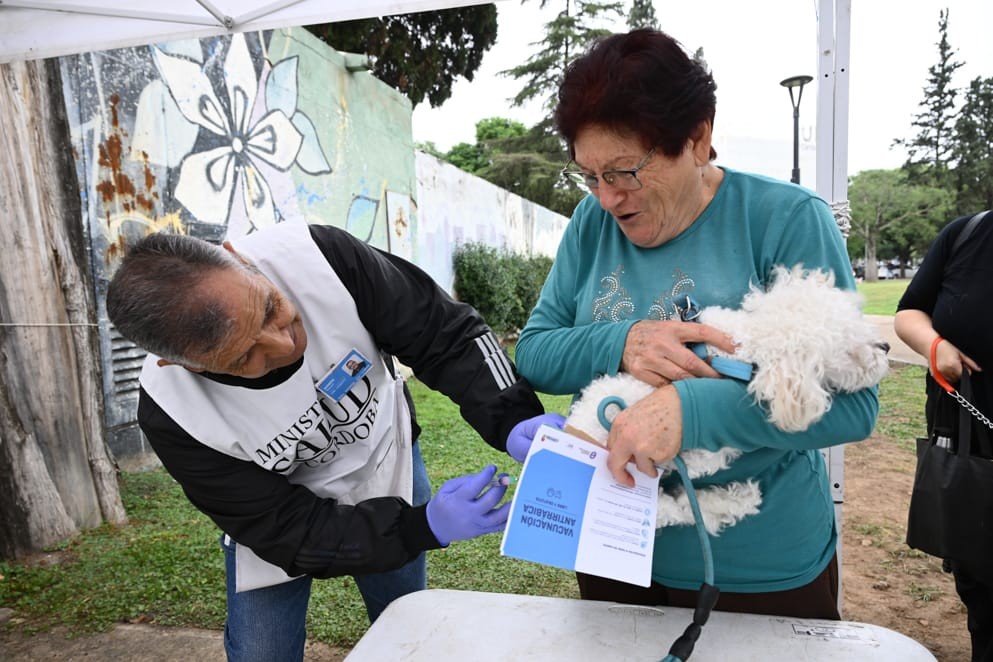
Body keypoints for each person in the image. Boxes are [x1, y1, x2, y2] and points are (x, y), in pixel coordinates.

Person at [514, 29, 879, 620]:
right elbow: (535, 352)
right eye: (590, 176)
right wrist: (623, 341)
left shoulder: (786, 219)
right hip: (612, 544)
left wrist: (693, 411)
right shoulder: (590, 223)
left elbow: (854, 407)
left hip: (757, 564)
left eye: (625, 172)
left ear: (698, 139)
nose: (607, 199)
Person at [105, 220, 562, 662]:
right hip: (280, 505)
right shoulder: (174, 413)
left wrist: (511, 416)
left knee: (403, 623)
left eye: (269, 307)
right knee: (262, 651)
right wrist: (421, 527)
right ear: (184, 365)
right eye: (245, 356)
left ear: (237, 257)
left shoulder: (320, 257)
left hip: (384, 457)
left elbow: (443, 332)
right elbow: (284, 530)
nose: (284, 344)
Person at [895, 210, 992, 662]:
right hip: (972, 453)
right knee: (982, 593)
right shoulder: (966, 234)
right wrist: (934, 346)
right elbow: (910, 311)